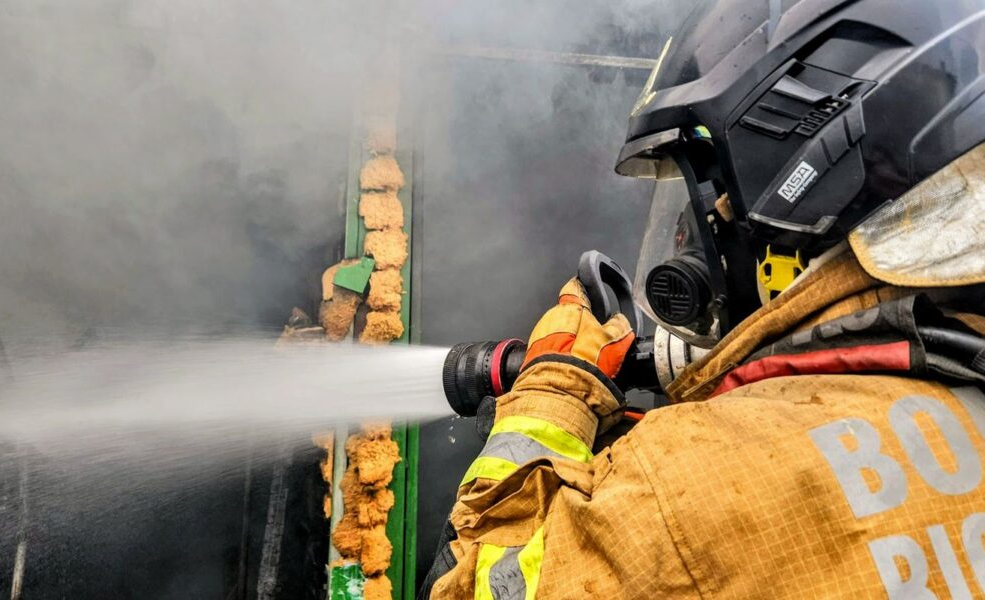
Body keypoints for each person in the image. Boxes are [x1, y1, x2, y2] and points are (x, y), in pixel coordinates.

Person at [422, 0, 985, 597]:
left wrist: (553, 394)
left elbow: (472, 586)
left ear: (792, 204)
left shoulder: (681, 491)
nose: (694, 239)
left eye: (712, 207)